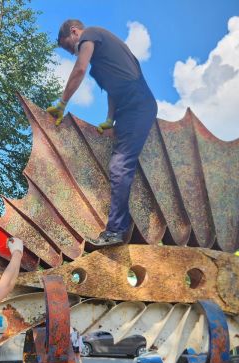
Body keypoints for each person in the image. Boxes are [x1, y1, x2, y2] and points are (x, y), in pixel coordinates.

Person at [48, 19, 158, 250]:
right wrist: (110, 119)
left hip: (138, 104)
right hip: (127, 108)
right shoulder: (102, 62)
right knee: (117, 164)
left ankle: (116, 230)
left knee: (120, 165)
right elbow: (113, 90)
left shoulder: (92, 35)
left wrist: (62, 102)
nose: (72, 52)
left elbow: (79, 69)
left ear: (75, 32)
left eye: (69, 46)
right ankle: (119, 226)